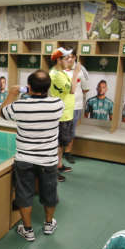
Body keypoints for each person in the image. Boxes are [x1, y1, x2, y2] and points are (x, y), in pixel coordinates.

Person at [0, 70, 64, 241]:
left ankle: (27, 230)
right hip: (48, 160)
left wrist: (12, 93)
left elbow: (2, 113)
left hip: (24, 160)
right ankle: (49, 224)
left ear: (28, 87)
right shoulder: (58, 104)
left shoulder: (20, 106)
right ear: (48, 87)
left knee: (24, 194)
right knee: (50, 193)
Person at [49, 48, 80, 182]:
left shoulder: (61, 73)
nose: (69, 60)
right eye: (66, 58)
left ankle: (59, 165)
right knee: (56, 146)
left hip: (66, 113)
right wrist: (76, 73)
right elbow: (72, 90)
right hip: (59, 115)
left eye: (69, 58)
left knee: (61, 144)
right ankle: (53, 171)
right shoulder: (55, 75)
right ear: (58, 60)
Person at [64, 52, 89, 165]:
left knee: (71, 130)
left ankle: (68, 152)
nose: (69, 59)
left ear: (74, 57)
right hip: (61, 105)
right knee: (60, 129)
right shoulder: (58, 68)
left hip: (75, 106)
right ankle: (58, 152)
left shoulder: (81, 69)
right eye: (66, 56)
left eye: (71, 56)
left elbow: (85, 88)